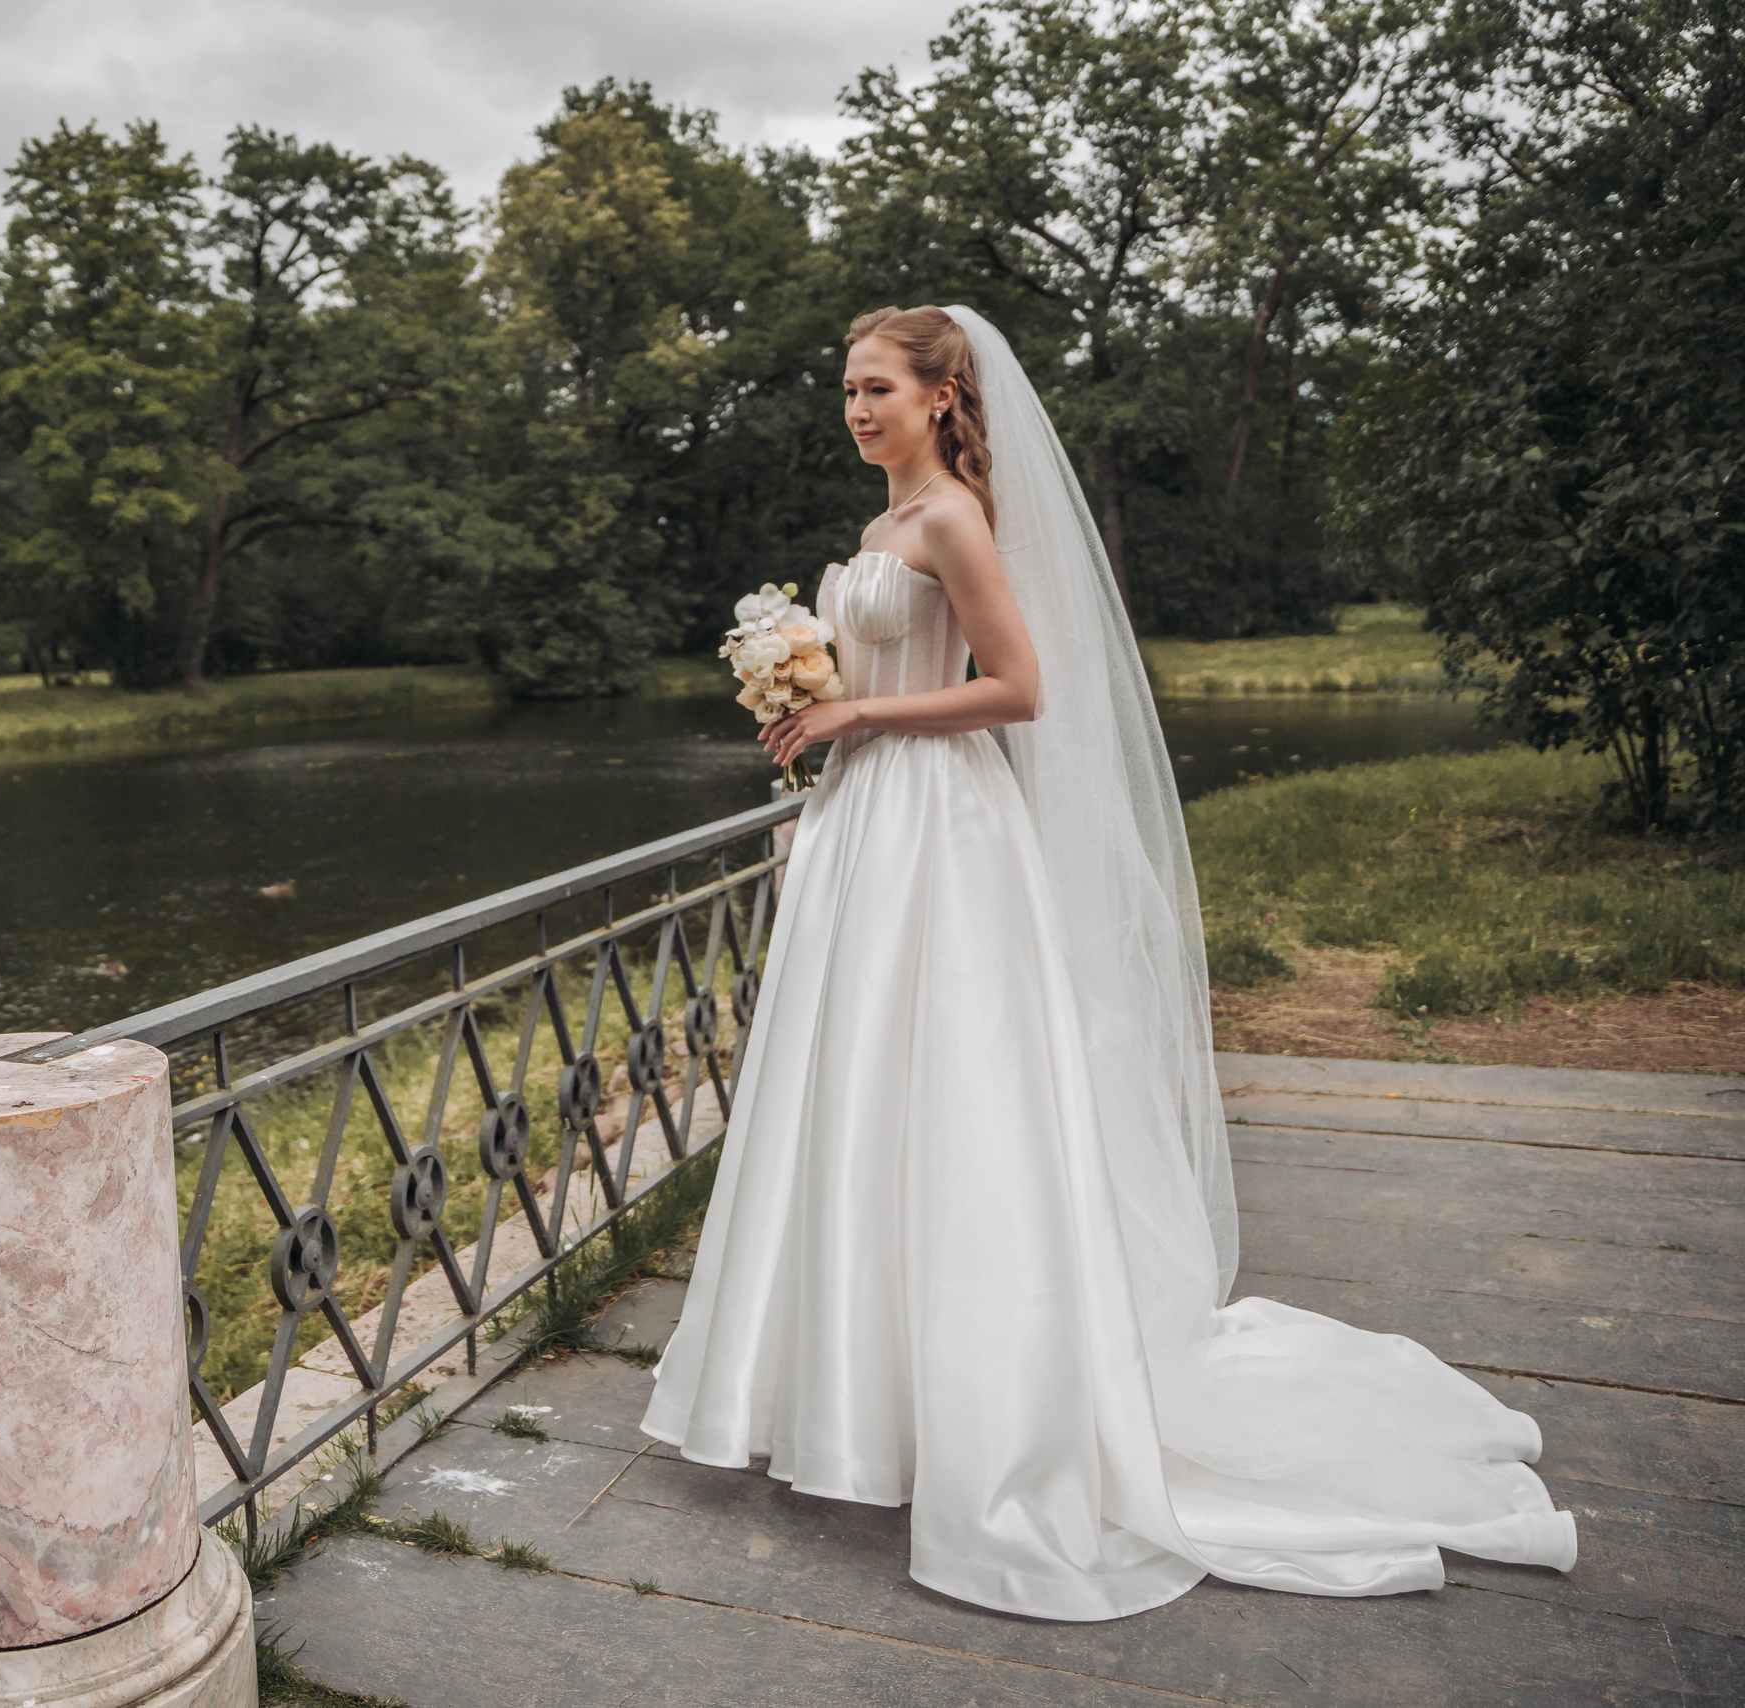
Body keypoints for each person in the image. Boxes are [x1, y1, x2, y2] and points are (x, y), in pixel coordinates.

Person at [639, 304, 1578, 1621]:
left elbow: (1021, 688)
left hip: (947, 827)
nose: (856, 411)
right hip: (866, 830)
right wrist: (811, 725)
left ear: (942, 399)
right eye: (846, 392)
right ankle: (863, 1401)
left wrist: (861, 707)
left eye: (876, 390)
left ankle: (991, 1416)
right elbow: (876, 680)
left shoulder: (957, 520)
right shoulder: (873, 533)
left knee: (960, 1100)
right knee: (859, 1098)